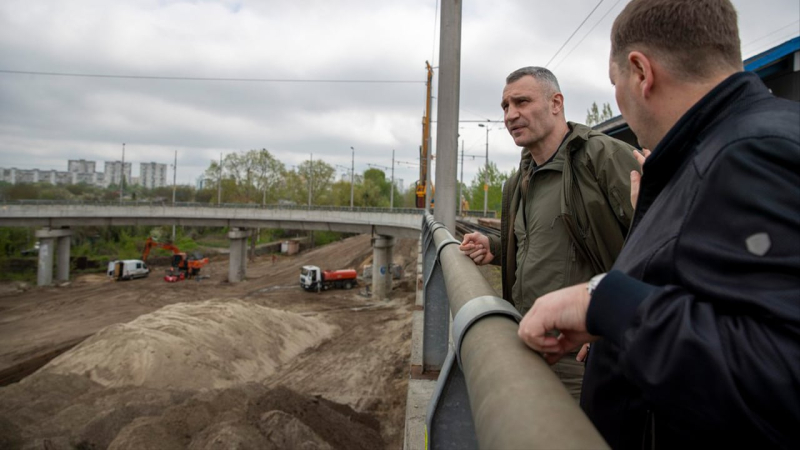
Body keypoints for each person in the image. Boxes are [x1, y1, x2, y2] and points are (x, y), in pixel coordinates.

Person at [517, 0, 800, 447]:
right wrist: (615, 335)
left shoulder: (751, 155)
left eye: (615, 83)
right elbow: (713, 301)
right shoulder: (716, 150)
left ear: (641, 72)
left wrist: (604, 303)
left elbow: (779, 373)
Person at [459, 66, 640, 399]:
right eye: (505, 107)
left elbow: (655, 246)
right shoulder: (519, 180)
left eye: (522, 102)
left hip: (584, 357)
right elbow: (546, 244)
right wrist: (496, 248)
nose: (511, 115)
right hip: (529, 343)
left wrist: (607, 318)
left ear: (556, 103)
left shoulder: (603, 158)